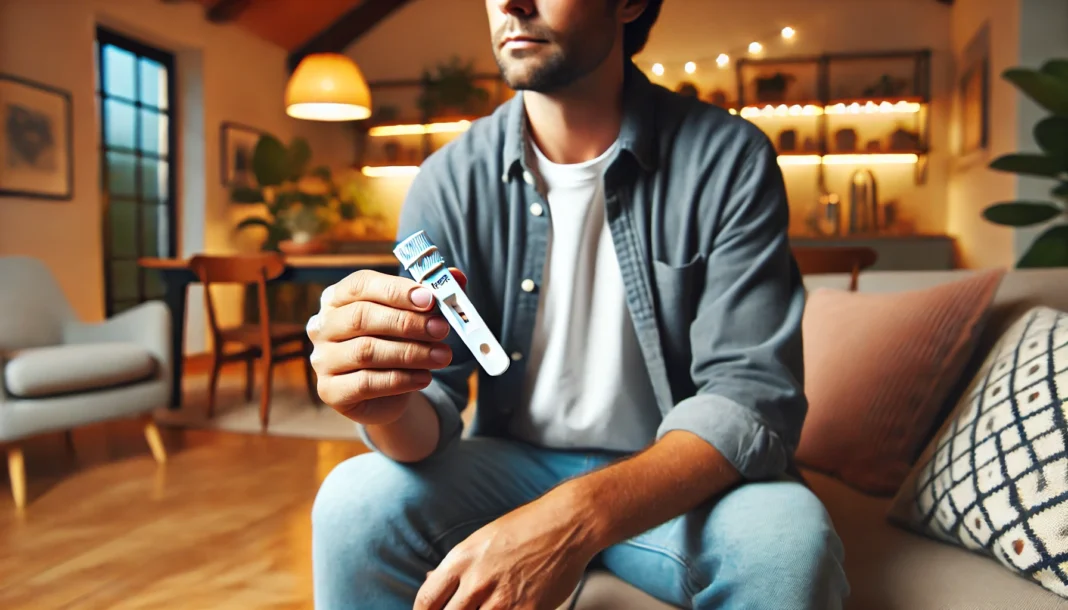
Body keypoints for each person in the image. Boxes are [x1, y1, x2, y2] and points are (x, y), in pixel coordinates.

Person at [305, 1, 849, 608]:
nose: (512, 2)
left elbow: (750, 397)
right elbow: (428, 423)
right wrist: (385, 405)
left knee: (789, 544)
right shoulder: (448, 179)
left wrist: (573, 518)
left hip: (675, 479)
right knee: (352, 503)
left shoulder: (728, 159)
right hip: (509, 466)